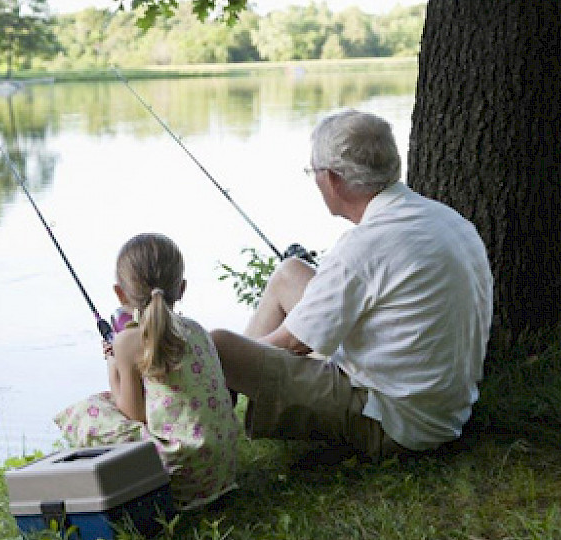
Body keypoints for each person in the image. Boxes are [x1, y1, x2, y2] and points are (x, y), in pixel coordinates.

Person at [211, 109, 493, 460]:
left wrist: (236, 363)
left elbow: (290, 344)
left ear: (331, 179)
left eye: (313, 172)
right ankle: (217, 405)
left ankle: (200, 424)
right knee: (290, 273)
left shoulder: (363, 245)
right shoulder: (445, 218)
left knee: (217, 346)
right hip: (446, 409)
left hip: (395, 422)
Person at [54, 233, 239, 509]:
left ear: (119, 293)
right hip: (221, 470)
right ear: (182, 288)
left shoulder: (128, 341)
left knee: (88, 410)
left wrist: (112, 364)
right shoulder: (198, 330)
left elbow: (132, 414)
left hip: (180, 481)